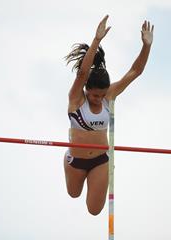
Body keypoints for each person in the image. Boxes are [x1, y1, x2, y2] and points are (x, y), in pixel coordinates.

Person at [64, 15, 154, 216]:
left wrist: (146, 46)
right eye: (96, 95)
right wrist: (96, 40)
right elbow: (82, 74)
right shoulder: (76, 99)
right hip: (76, 160)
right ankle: (68, 162)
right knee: (73, 194)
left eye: (103, 95)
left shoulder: (109, 96)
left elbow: (135, 71)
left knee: (94, 210)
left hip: (100, 160)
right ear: (87, 90)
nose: (99, 99)